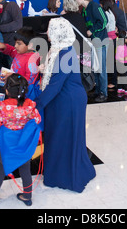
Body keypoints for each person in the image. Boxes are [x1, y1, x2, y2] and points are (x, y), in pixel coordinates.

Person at [35, 17, 96, 193]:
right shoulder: (60, 50)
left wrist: (37, 104)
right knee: (59, 136)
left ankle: (63, 175)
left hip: (67, 101)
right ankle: (58, 171)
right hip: (64, 99)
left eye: (50, 29)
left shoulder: (64, 53)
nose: (47, 33)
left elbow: (55, 85)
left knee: (63, 137)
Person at [0, 74, 42, 207]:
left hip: (8, 144)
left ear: (7, 91)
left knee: (0, 169)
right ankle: (27, 196)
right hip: (24, 143)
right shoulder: (30, 105)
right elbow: (37, 120)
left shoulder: (3, 106)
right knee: (25, 170)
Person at [75, 0, 109, 102]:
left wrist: (92, 30)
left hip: (100, 41)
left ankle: (103, 93)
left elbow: (104, 21)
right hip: (92, 42)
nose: (75, 0)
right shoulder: (84, 9)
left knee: (101, 69)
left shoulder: (94, 6)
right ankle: (97, 91)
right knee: (95, 68)